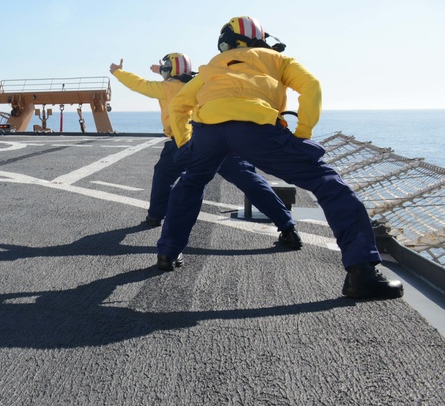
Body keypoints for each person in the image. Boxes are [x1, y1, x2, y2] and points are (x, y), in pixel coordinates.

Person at [156, 17, 403, 300]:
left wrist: (186, 143)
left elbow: (179, 106)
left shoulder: (210, 67)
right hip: (256, 127)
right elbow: (311, 86)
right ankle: (362, 273)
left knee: (190, 183)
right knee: (328, 184)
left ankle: (167, 253)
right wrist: (302, 134)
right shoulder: (277, 58)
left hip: (208, 132)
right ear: (259, 38)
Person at [109, 55, 302, 251]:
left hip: (183, 141)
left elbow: (138, 84)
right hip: (217, 137)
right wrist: (161, 70)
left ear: (170, 70)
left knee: (165, 175)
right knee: (249, 179)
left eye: (165, 69)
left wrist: (118, 71)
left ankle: (156, 217)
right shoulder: (203, 81)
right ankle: (288, 227)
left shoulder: (166, 88)